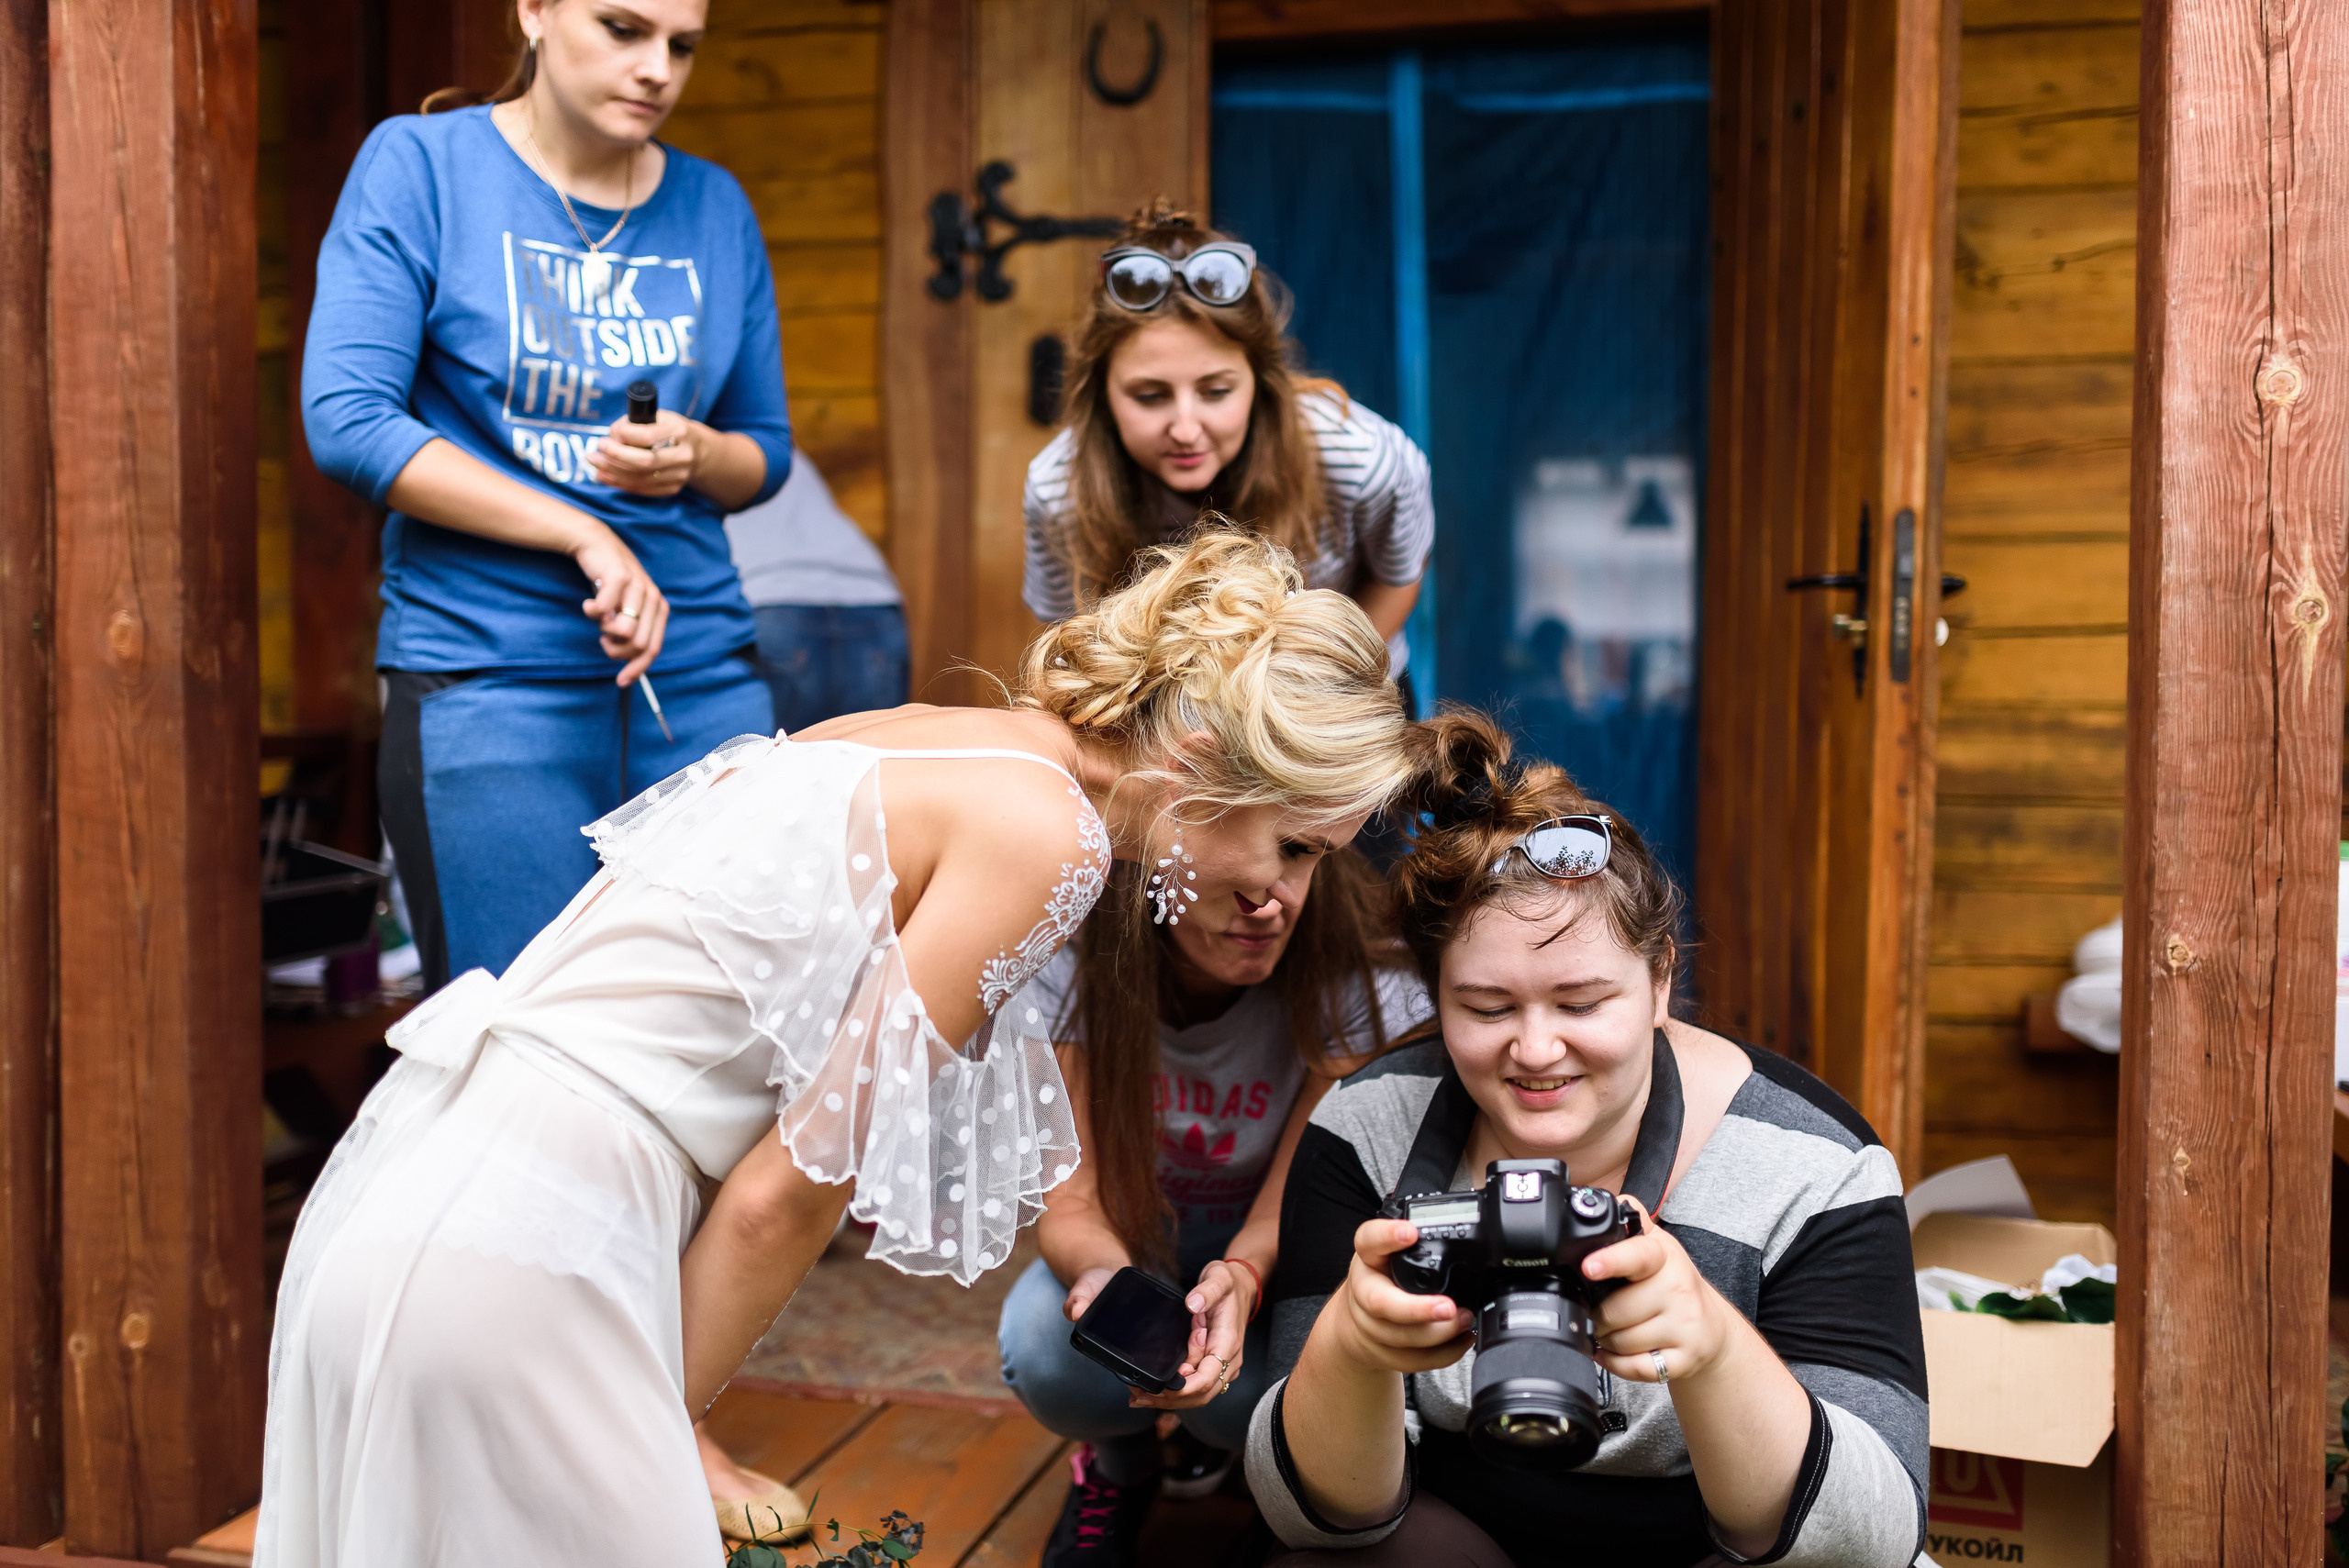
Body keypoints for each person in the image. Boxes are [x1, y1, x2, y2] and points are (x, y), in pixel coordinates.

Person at [255, 532, 1431, 1568]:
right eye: (1295, 844)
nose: (1288, 888)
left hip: (417, 1182)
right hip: (534, 1244)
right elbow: (788, 1192)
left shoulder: (913, 734)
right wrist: (664, 1434)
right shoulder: (1045, 833)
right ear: (1204, 765)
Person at [1245, 716, 1928, 1567]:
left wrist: (1710, 1347)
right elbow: (1309, 1515)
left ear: (1659, 982)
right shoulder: (1364, 1131)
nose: (1534, 1052)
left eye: (1580, 1004)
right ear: (1435, 997)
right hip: (1456, 1530)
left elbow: (1873, 1541)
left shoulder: (1815, 1166)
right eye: (1487, 1008)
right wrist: (1353, 1346)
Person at [305, 0, 787, 993]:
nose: (657, 67)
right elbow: (349, 418)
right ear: (533, 11)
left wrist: (694, 451)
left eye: (682, 45)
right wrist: (583, 531)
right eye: (622, 28)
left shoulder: (713, 204)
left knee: (729, 1034)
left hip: (697, 677)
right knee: (518, 1048)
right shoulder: (422, 166)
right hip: (488, 679)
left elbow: (764, 455)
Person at [998, 848, 1433, 1564]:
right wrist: (1110, 1283)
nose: (1269, 901)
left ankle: (1256, 1472)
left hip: (1274, 1251)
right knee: (1049, 1349)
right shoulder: (1068, 952)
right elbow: (1072, 1198)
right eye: (1237, 862)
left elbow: (1290, 1207)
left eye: (1297, 852)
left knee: (1254, 1400)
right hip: (1136, 1239)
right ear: (1155, 853)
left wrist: (1242, 1277)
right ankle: (1119, 1466)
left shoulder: (1357, 969)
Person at [1023, 203, 1434, 706]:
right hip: (1164, 712)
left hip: (1342, 695)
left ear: (1262, 382)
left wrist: (1312, 694)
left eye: (1216, 391)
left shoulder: (1366, 459)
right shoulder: (1057, 489)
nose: (1186, 428)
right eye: (1149, 397)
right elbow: (1064, 639)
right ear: (1101, 394)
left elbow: (1396, 580)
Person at [725, 446, 911, 731]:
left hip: (775, 599)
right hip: (873, 598)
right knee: (871, 761)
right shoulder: (782, 448)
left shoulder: (688, 451)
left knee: (781, 767)